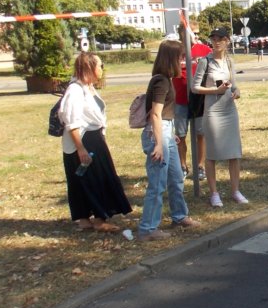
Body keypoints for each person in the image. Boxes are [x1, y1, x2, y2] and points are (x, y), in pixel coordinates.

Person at [59, 52, 132, 233]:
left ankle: (90, 218)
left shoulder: (88, 88)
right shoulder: (75, 90)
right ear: (89, 67)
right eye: (100, 65)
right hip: (83, 140)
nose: (102, 69)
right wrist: (81, 149)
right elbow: (71, 122)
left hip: (94, 138)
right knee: (91, 179)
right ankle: (96, 220)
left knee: (93, 178)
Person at [139, 40, 199, 240]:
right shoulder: (161, 81)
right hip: (158, 134)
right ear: (171, 59)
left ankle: (179, 216)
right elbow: (155, 114)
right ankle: (148, 229)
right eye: (181, 57)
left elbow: (162, 114)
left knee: (176, 176)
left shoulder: (165, 79)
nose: (183, 61)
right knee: (157, 184)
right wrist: (159, 143)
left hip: (166, 131)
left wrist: (170, 133)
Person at [192, 27, 248, 208]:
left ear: (227, 41)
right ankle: (214, 193)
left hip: (229, 110)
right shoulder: (205, 61)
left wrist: (236, 92)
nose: (216, 42)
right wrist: (215, 90)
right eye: (213, 39)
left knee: (234, 153)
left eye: (220, 39)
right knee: (212, 154)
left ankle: (235, 191)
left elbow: (234, 85)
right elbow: (194, 87)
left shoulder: (229, 61)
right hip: (213, 112)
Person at [172, 23, 212, 181]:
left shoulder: (203, 50)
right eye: (193, 33)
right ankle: (182, 166)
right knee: (180, 135)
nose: (196, 36)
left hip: (199, 99)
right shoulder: (174, 50)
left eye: (197, 33)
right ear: (183, 33)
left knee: (200, 134)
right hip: (180, 100)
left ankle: (200, 166)